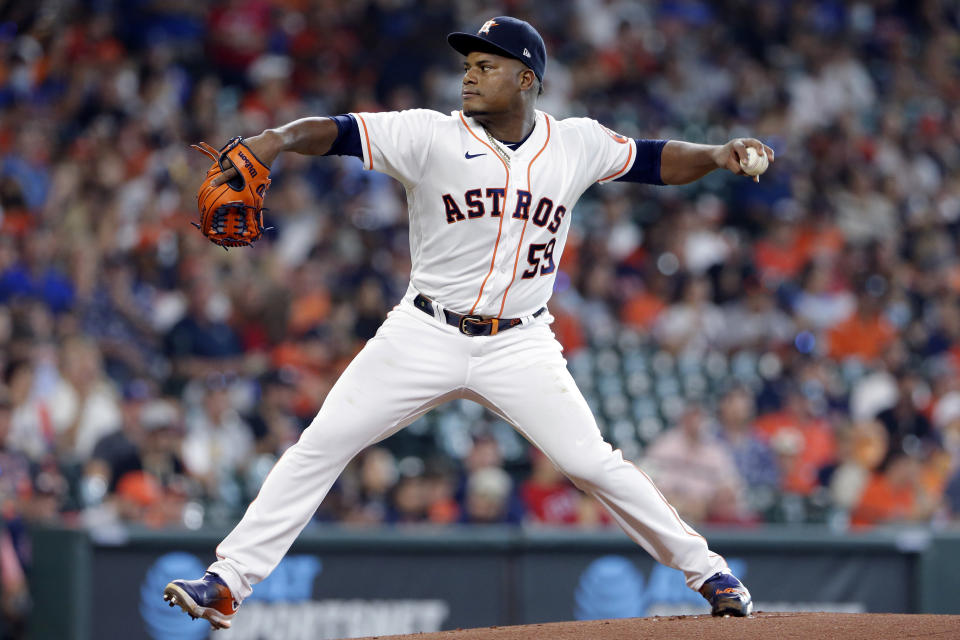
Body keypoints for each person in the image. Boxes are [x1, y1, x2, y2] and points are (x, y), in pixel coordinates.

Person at [164, 16, 768, 629]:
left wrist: (718, 155)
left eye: (487, 66)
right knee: (321, 444)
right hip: (424, 330)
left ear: (527, 78)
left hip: (521, 342)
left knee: (592, 463)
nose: (470, 76)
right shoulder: (430, 135)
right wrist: (275, 138)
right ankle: (226, 580)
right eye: (468, 66)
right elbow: (338, 132)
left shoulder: (575, 143)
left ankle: (711, 572)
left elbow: (655, 160)